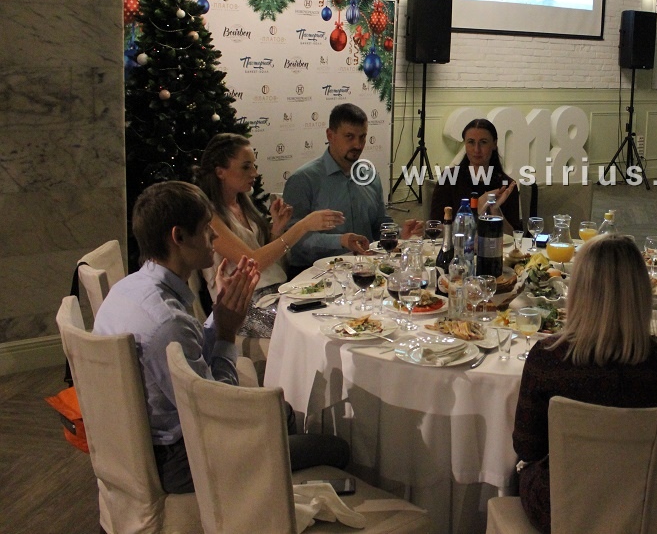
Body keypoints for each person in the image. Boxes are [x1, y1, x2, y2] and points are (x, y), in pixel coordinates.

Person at [93, 181, 349, 493]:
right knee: (335, 449)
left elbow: (189, 361)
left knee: (280, 413)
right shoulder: (167, 323)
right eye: (206, 229)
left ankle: (273, 492)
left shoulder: (128, 288)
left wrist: (220, 313)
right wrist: (227, 334)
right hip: (183, 458)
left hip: (146, 442)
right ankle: (267, 499)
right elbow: (218, 412)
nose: (215, 237)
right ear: (179, 237)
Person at [512, 235, 657, 532]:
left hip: (565, 509)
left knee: (516, 472)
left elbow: (527, 447)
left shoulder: (549, 360)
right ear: (641, 293)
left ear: (579, 291)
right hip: (645, 507)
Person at [193, 133, 345, 338]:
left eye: (254, 165)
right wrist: (302, 226)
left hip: (277, 291)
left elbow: (267, 262)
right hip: (242, 305)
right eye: (246, 167)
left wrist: (277, 230)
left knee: (336, 310)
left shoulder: (243, 205)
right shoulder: (210, 217)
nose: (255, 173)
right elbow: (253, 263)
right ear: (220, 172)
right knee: (310, 328)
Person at [283, 103, 420, 271]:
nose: (358, 145)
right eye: (349, 136)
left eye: (362, 137)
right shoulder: (303, 180)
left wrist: (398, 234)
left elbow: (379, 222)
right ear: (330, 135)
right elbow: (292, 240)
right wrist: (341, 241)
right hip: (314, 275)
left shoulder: (370, 176)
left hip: (365, 270)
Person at [429, 118, 522, 233]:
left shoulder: (506, 185)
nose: (477, 149)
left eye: (483, 142)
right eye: (471, 142)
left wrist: (496, 210)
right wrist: (476, 207)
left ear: (494, 144)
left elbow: (514, 237)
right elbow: (435, 229)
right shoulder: (449, 178)